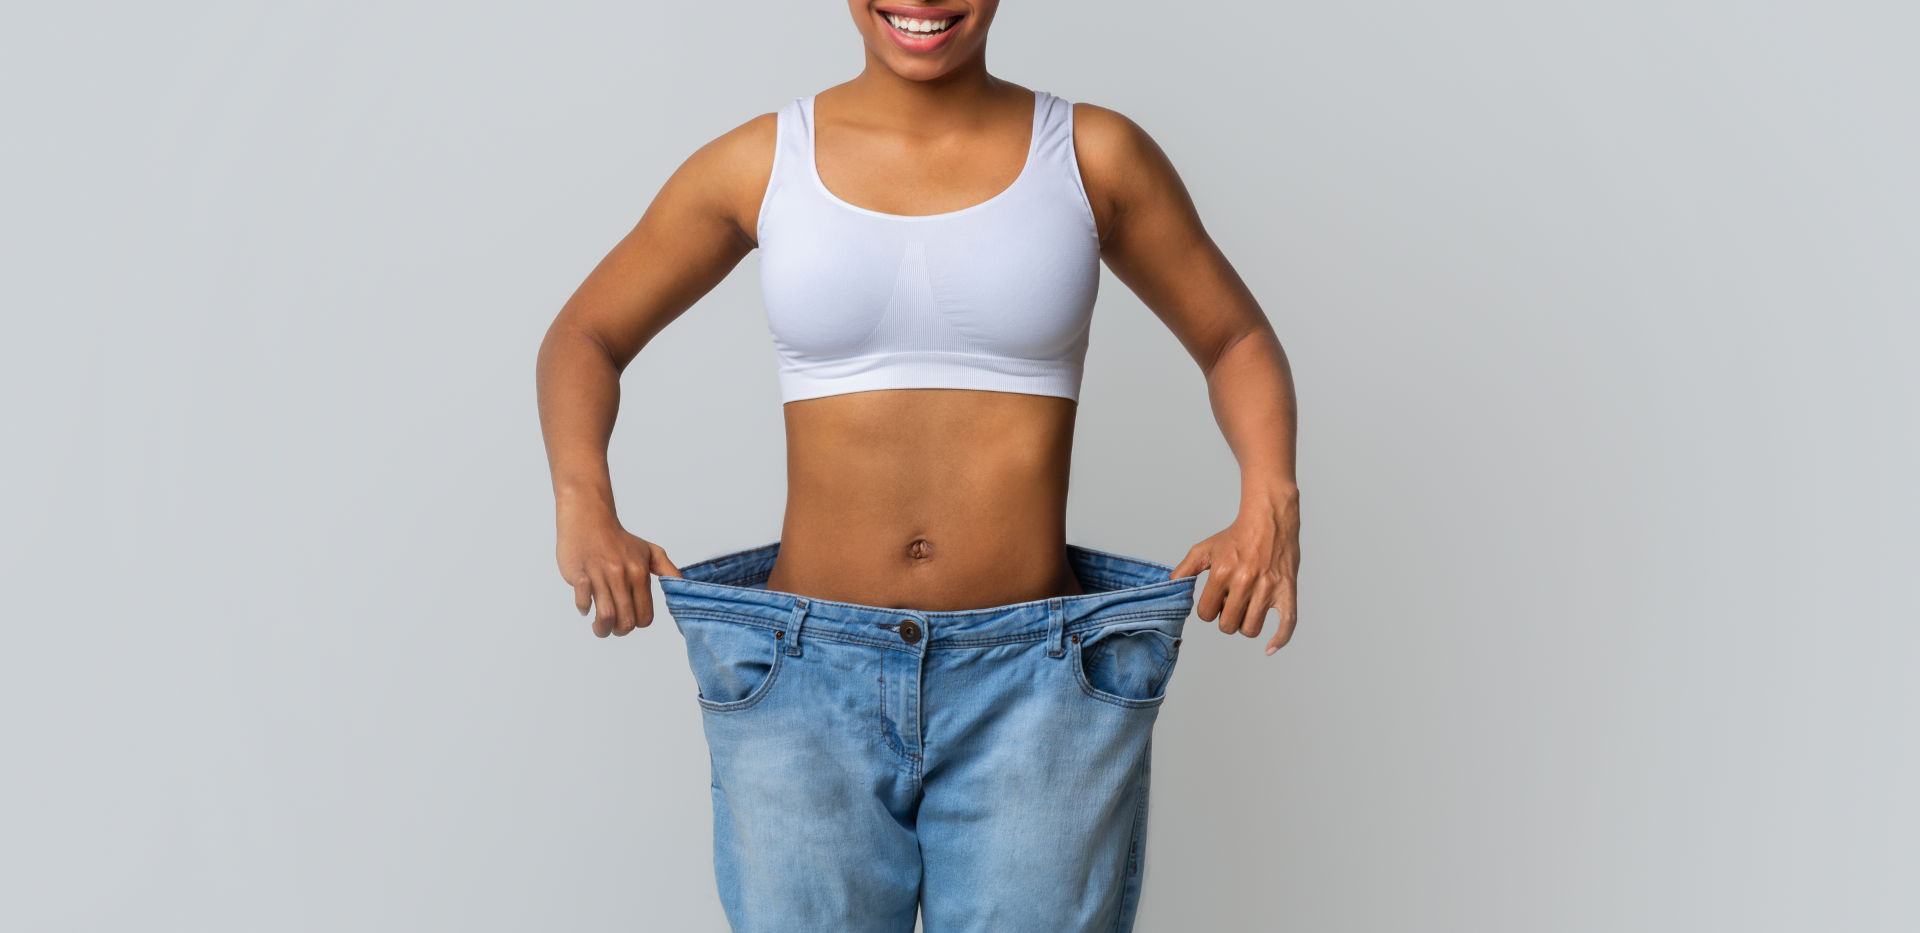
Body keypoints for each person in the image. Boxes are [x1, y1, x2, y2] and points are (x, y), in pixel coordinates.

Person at [534, 2, 1300, 930]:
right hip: (804, 679)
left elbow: (1234, 337)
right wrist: (584, 500)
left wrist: (1269, 497)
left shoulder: (1092, 155)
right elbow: (586, 334)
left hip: (1037, 683)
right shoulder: (760, 161)